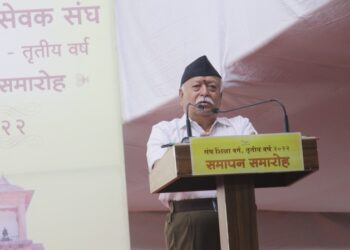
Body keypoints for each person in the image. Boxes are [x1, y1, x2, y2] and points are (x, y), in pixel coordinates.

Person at [146, 55, 257, 250]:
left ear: (220, 97)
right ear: (181, 96)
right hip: (189, 218)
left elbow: (257, 158)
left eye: (212, 87)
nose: (205, 92)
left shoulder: (240, 125)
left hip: (238, 214)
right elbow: (159, 170)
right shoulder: (164, 131)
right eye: (197, 87)